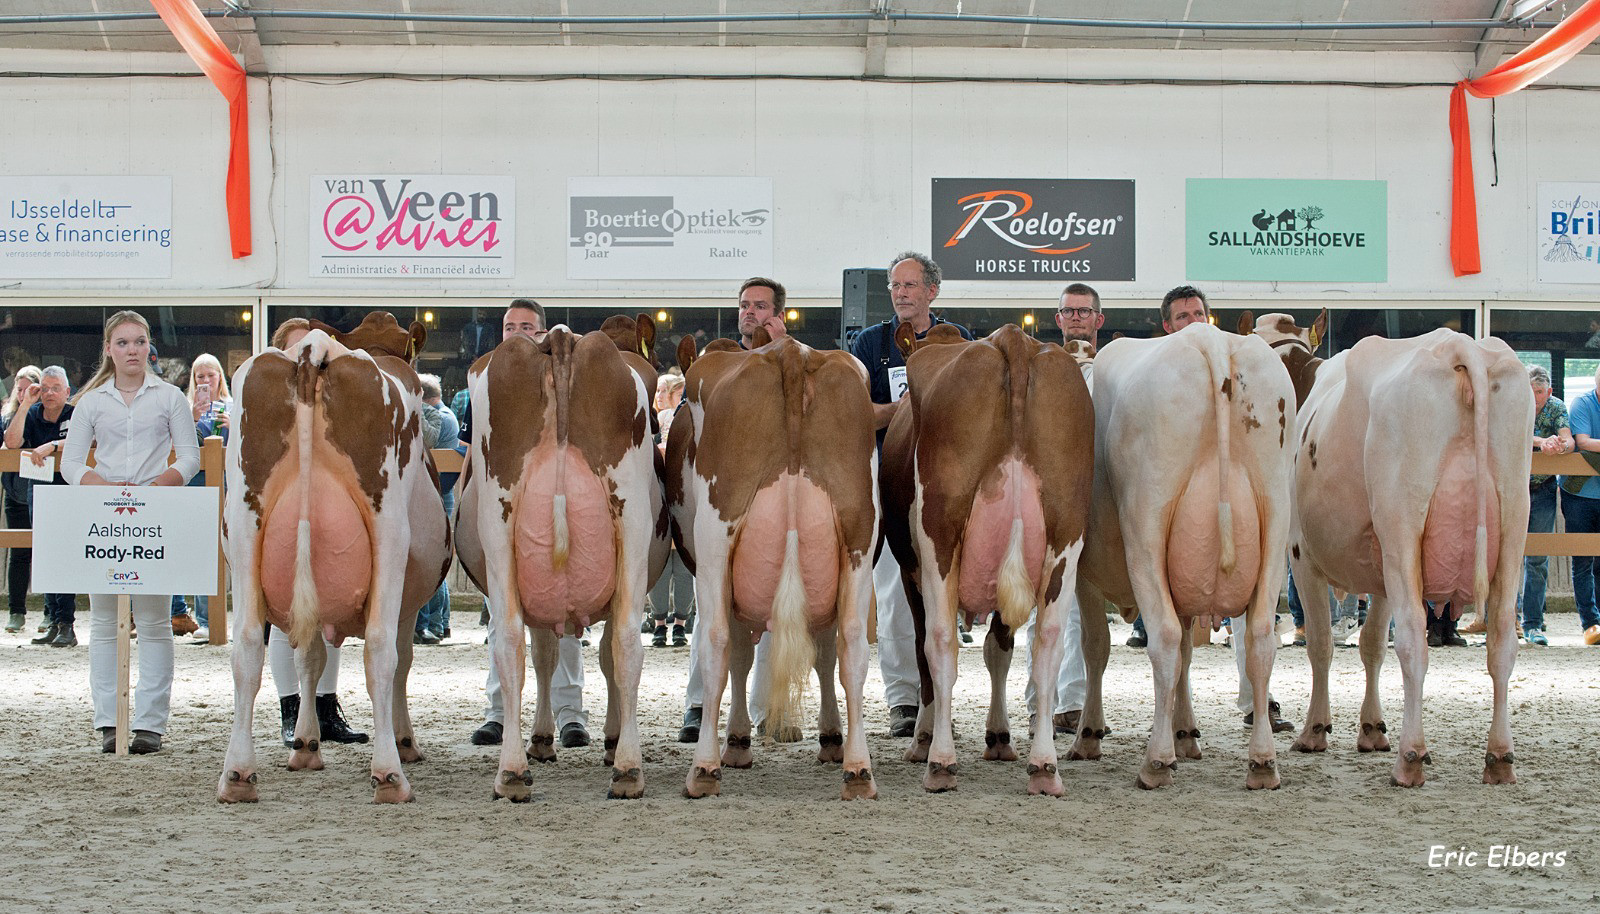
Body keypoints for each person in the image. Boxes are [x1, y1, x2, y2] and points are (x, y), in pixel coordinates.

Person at [60, 311, 200, 754]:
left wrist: (158, 485)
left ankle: (150, 725)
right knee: (103, 623)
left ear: (149, 347)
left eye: (139, 342)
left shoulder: (171, 398)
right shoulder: (92, 402)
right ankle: (109, 722)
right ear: (108, 349)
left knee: (156, 622)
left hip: (153, 514)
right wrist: (101, 486)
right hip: (103, 516)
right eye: (122, 343)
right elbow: (70, 464)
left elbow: (190, 458)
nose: (132, 350)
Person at [1156, 286, 1295, 732]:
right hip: (1182, 500)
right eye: (1182, 317)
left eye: (1199, 314)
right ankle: (1181, 707)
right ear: (1167, 326)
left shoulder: (1242, 365)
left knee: (1255, 598)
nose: (1193, 322)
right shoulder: (1159, 374)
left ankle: (1257, 697)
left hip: (1236, 484)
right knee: (1171, 602)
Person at [849, 252, 973, 738]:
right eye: (895, 286)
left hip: (950, 479)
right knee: (895, 592)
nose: (901, 293)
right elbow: (855, 411)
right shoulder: (870, 342)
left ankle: (941, 697)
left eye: (910, 285)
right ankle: (903, 699)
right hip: (889, 473)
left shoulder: (959, 341)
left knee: (949, 594)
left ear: (932, 292)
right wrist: (900, 411)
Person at [467, 299, 592, 749]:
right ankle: (499, 711)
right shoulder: (484, 377)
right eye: (509, 326)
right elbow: (476, 450)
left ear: (544, 332)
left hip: (560, 500)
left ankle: (569, 712)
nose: (517, 333)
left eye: (527, 326)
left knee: (569, 611)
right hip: (508, 507)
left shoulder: (573, 373)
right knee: (504, 614)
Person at [677, 279, 790, 743]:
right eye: (744, 305)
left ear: (780, 313)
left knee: (775, 602)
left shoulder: (798, 359)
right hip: (720, 492)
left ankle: (767, 710)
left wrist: (782, 348)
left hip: (776, 491)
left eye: (760, 306)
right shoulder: (713, 365)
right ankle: (700, 703)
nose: (750, 312)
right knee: (712, 600)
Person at [252, 318, 368, 746]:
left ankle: (325, 707)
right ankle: (291, 709)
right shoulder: (264, 392)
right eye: (296, 347)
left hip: (329, 499)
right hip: (280, 505)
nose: (308, 356)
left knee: (330, 608)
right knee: (285, 616)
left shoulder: (339, 395)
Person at [1013, 282, 1100, 737]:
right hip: (1048, 499)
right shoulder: (1040, 367)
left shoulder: (1111, 370)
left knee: (1087, 606)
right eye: (1068, 312)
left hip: (1100, 498)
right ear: (1058, 318)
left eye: (1084, 312)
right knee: (1040, 603)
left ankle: (1080, 702)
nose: (1076, 319)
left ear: (1098, 320)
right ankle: (1041, 703)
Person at [2, 366, 79, 645]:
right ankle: (53, 622)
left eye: (55, 388)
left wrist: (53, 446)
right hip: (40, 490)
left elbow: (90, 440)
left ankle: (67, 623)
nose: (49, 393)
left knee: (65, 555)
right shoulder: (33, 413)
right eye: (44, 388)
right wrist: (25, 404)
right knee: (46, 555)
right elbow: (11, 442)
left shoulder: (74, 414)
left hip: (69, 491)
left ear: (67, 391)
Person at [1497, 364, 1571, 647]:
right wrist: (1542, 441)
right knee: (1505, 555)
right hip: (1511, 487)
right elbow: (1509, 438)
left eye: (1539, 391)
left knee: (1537, 558)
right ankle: (1505, 621)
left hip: (1543, 488)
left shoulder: (1557, 407)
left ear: (1548, 391)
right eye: (1529, 390)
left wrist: (1559, 445)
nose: (1534, 395)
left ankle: (1532, 624)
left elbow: (1568, 439)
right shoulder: (1511, 406)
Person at [170, 353, 233, 639]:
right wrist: (192, 417)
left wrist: (234, 425)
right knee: (185, 548)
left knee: (214, 550)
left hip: (223, 484)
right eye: (200, 376)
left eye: (210, 375)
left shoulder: (233, 407)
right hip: (190, 484)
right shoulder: (182, 408)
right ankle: (180, 613)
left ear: (220, 376)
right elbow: (173, 446)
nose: (205, 381)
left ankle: (208, 620)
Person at [413, 372, 458, 644]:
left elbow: (428, 441)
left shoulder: (437, 416)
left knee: (430, 563)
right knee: (435, 561)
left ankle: (433, 623)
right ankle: (440, 622)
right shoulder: (445, 414)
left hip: (437, 493)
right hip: (439, 492)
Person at [650, 371, 692, 649]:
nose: (668, 399)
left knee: (684, 569)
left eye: (674, 394)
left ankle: (680, 623)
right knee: (660, 568)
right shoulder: (659, 422)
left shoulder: (690, 424)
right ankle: (658, 622)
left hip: (684, 504)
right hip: (661, 503)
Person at [1560, 364, 1600, 646]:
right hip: (1579, 495)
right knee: (1582, 560)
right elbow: (1583, 442)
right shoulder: (1583, 403)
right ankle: (1590, 623)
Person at [2, 365, 43, 633]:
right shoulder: (8, 415)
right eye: (18, 389)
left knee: (48, 552)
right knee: (18, 553)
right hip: (16, 492)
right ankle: (16, 611)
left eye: (29, 389)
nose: (23, 393)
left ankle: (52, 614)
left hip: (43, 491)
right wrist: (23, 405)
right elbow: (10, 442)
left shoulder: (47, 415)